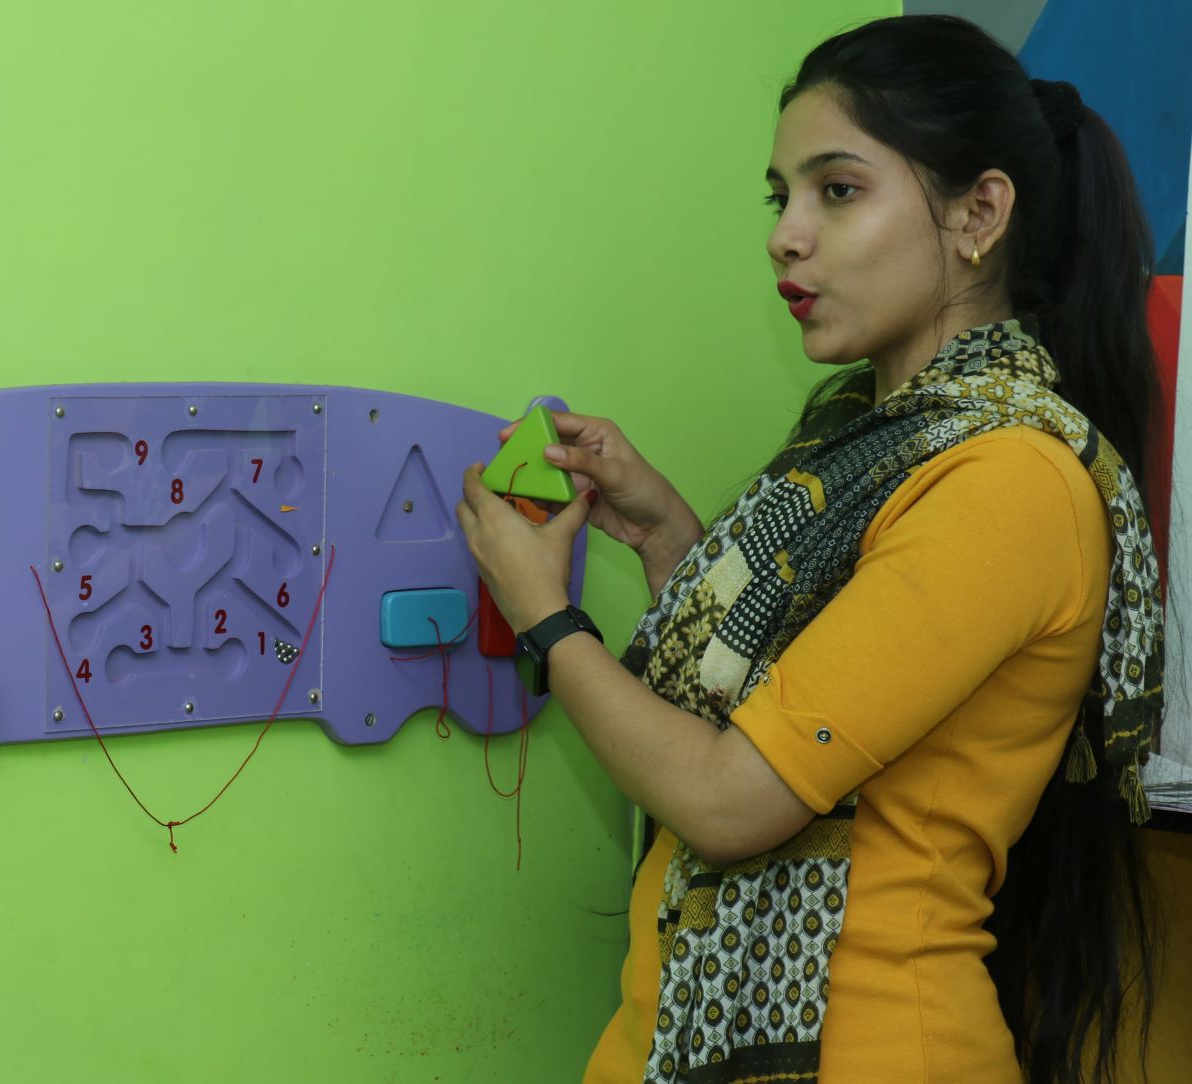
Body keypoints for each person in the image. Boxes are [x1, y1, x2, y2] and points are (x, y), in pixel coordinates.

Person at [456, 15, 1166, 1084]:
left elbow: (730, 800)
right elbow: (800, 691)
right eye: (779, 197)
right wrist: (668, 536)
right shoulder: (864, 441)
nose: (786, 236)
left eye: (837, 190)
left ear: (979, 214)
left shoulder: (1011, 481)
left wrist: (549, 623)